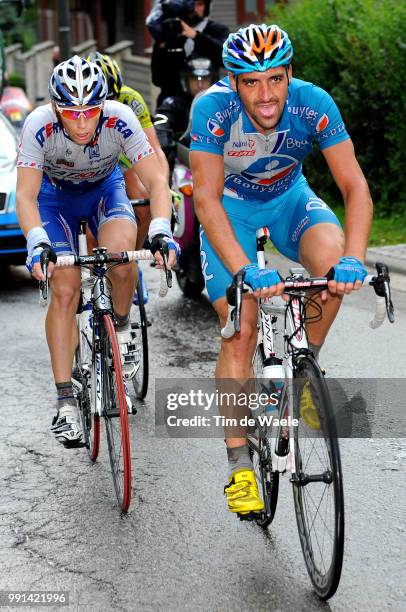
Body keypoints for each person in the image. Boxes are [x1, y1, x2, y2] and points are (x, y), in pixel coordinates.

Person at [189, 24, 372, 516]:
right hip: (231, 214)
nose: (266, 95)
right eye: (251, 82)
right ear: (233, 82)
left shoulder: (314, 103)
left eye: (275, 79)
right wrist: (245, 268)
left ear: (290, 74)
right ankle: (240, 466)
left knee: (333, 270)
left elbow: (354, 187)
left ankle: (299, 374)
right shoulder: (212, 109)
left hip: (290, 200)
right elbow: (204, 201)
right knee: (240, 331)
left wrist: (353, 258)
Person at [16, 55, 178, 447]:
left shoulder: (120, 118)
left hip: (106, 192)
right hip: (56, 202)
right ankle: (66, 403)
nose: (83, 121)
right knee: (66, 287)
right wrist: (37, 240)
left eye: (91, 110)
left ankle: (120, 334)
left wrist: (160, 228)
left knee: (122, 258)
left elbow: (157, 180)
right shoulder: (39, 125)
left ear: (103, 104)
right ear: (56, 107)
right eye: (72, 112)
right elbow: (25, 194)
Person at [88, 52, 169, 255]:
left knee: (144, 203)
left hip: (124, 156)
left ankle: (131, 255)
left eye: (113, 98)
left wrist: (164, 189)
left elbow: (155, 149)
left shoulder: (131, 99)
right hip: (90, 160)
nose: (109, 105)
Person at [149, 0, 229, 106]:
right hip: (174, 104)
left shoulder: (217, 30)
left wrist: (196, 36)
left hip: (209, 102)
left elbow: (226, 57)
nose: (194, 9)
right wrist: (164, 42)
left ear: (207, 7)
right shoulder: (170, 31)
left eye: (199, 4)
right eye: (189, 4)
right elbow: (157, 79)